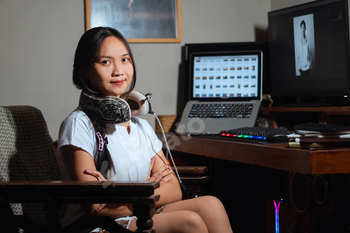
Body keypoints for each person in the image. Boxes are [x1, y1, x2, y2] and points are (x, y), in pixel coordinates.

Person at [57, 26, 233, 233]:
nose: (118, 71)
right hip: (95, 226)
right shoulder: (79, 123)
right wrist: (146, 188)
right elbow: (94, 206)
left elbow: (174, 189)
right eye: (106, 61)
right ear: (85, 70)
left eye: (125, 59)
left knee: (211, 205)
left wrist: (126, 198)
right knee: (190, 222)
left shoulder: (141, 126)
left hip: (135, 213)